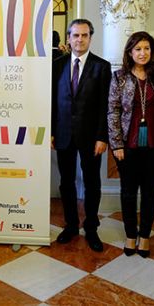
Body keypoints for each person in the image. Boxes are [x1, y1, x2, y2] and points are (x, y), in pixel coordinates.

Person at [51, 18, 111, 252]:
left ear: (90, 38)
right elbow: (53, 102)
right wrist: (52, 131)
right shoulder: (58, 64)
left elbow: (105, 105)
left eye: (84, 35)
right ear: (68, 38)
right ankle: (71, 225)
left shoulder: (101, 66)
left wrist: (102, 137)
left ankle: (92, 228)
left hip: (91, 137)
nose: (79, 39)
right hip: (63, 134)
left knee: (91, 182)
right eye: (75, 35)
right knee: (66, 183)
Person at [107, 31, 154, 257]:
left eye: (147, 48)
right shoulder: (119, 77)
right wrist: (116, 144)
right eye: (138, 49)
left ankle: (145, 237)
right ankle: (130, 235)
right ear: (130, 52)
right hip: (127, 145)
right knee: (128, 192)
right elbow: (112, 111)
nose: (143, 53)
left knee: (150, 192)